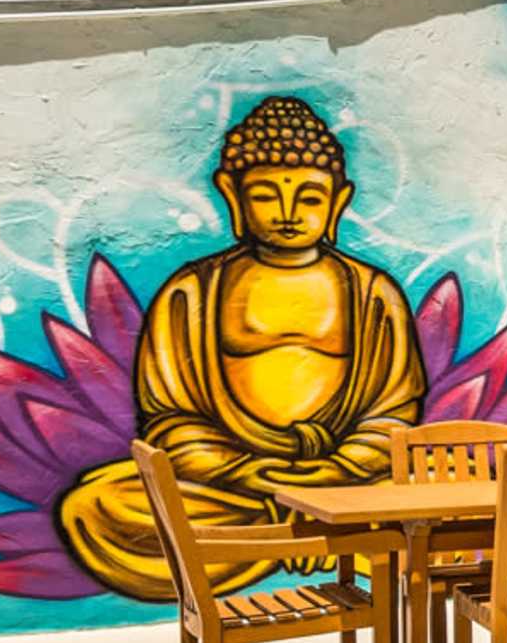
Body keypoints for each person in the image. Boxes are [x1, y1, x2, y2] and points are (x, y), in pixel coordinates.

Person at [53, 95, 425, 600]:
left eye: (311, 198)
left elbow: (393, 416)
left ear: (339, 201)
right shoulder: (192, 292)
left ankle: (290, 534)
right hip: (234, 488)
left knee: (437, 508)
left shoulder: (372, 293)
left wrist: (332, 473)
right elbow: (170, 420)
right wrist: (255, 474)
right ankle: (308, 533)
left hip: (346, 483)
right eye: (267, 195)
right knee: (95, 507)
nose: (290, 213)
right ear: (233, 195)